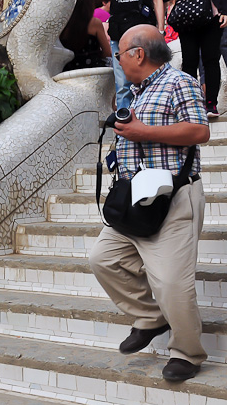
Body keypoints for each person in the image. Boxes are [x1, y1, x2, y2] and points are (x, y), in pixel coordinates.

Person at [89, 25, 210, 382]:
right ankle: (151, 317)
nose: (118, 59)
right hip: (136, 199)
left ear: (138, 54)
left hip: (172, 199)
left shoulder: (179, 82)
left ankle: (187, 353)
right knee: (103, 258)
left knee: (172, 282)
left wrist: (143, 132)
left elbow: (200, 131)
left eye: (120, 53)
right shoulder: (136, 93)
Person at [60, 0, 111, 72]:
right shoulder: (95, 23)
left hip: (68, 68)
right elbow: (107, 52)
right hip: (91, 67)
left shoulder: (64, 22)